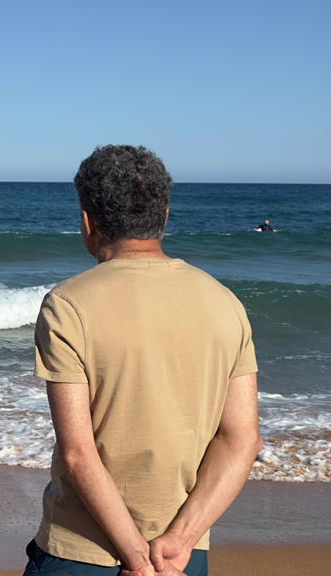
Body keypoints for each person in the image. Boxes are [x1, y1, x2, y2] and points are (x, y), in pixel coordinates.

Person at [24, 145, 261, 576]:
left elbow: (79, 454)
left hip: (83, 552)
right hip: (182, 557)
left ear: (87, 221)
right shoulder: (225, 304)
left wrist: (136, 557)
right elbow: (242, 441)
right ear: (165, 214)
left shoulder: (67, 305)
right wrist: (178, 543)